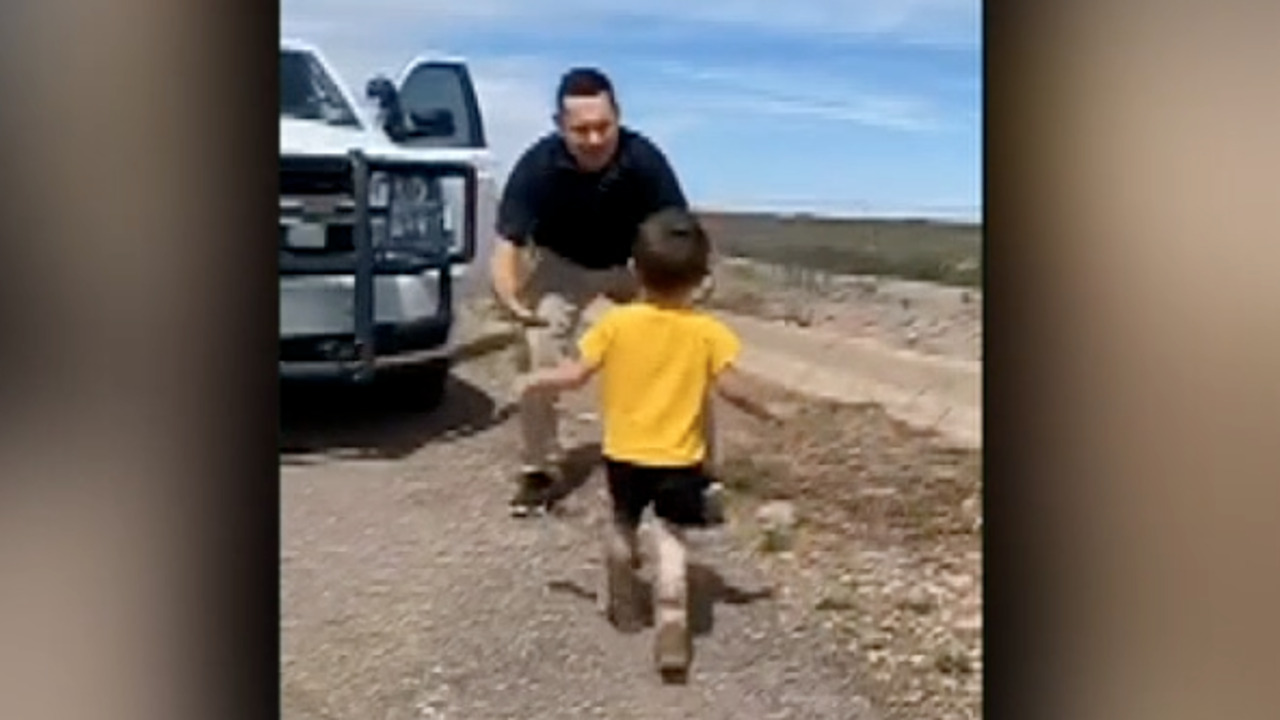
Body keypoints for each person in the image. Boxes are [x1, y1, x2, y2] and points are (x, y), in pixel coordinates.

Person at [514, 208, 778, 680]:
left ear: (635, 272)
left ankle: (622, 567)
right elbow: (732, 388)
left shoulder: (615, 326)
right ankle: (672, 610)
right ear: (701, 279)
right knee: (672, 532)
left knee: (623, 519)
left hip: (624, 456)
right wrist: (769, 410)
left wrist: (536, 378)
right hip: (680, 459)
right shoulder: (708, 332)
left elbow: (574, 376)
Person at [491, 66, 701, 517]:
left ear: (618, 118)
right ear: (559, 127)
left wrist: (691, 283)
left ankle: (681, 456)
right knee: (538, 348)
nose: (592, 139)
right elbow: (506, 245)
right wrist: (511, 297)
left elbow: (679, 230)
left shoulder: (643, 159)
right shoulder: (538, 166)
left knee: (681, 341)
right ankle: (540, 468)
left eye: (602, 126)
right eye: (580, 129)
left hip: (631, 264)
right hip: (562, 265)